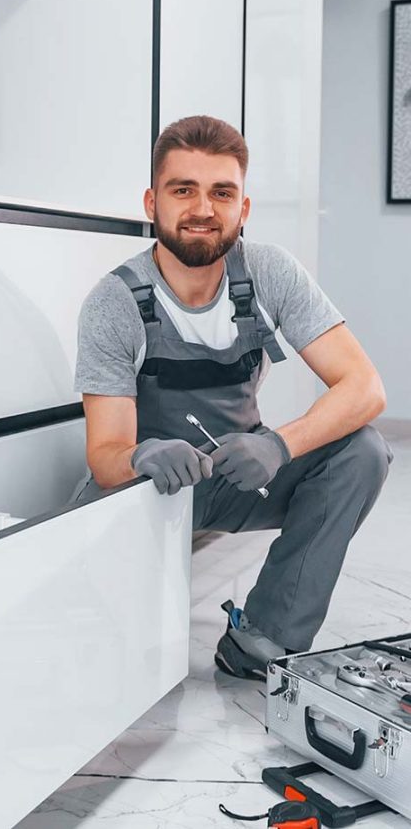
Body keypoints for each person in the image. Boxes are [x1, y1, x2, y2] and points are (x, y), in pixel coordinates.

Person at [74, 115, 392, 680]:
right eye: (183, 191)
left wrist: (277, 444)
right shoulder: (114, 301)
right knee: (113, 658)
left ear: (243, 209)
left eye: (222, 193)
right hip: (151, 488)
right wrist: (140, 455)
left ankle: (262, 639)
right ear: (152, 203)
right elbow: (105, 456)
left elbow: (364, 388)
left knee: (363, 451)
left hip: (244, 475)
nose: (203, 209)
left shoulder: (269, 273)